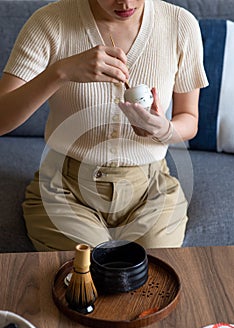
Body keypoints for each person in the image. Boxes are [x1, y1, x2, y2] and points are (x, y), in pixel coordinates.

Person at [0, 0, 208, 251]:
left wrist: (163, 130)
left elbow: (189, 118)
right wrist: (60, 72)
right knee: (87, 273)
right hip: (66, 189)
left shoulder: (180, 25)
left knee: (151, 274)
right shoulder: (49, 22)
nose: (125, 2)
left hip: (150, 189)